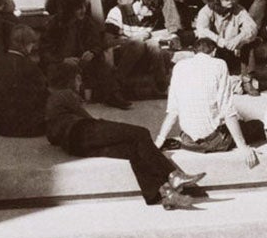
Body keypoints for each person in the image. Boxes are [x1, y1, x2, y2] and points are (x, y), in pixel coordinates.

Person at [46, 61, 203, 210]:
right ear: (73, 78)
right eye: (78, 79)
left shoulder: (53, 100)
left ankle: (167, 193)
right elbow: (88, 119)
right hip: (83, 130)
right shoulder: (65, 94)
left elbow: (52, 136)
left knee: (134, 150)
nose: (80, 84)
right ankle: (173, 175)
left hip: (76, 145)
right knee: (141, 133)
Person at [155, 35, 261, 165]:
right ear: (214, 51)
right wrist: (243, 147)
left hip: (189, 141)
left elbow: (173, 111)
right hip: (215, 141)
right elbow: (226, 110)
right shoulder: (219, 64)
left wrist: (160, 140)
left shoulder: (179, 67)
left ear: (194, 52)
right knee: (257, 125)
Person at [41, 0, 131, 109]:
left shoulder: (86, 22)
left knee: (100, 62)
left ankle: (113, 95)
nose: (83, 10)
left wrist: (92, 52)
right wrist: (62, 59)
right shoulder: (55, 24)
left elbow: (98, 43)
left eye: (83, 6)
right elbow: (45, 51)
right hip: (60, 62)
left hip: (81, 58)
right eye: (79, 8)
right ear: (69, 10)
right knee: (66, 68)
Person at [103, 0, 173, 96]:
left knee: (154, 45)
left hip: (143, 52)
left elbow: (153, 37)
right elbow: (108, 41)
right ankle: (117, 81)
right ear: (141, 0)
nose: (151, 14)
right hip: (122, 51)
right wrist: (134, 38)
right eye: (149, 10)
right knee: (138, 44)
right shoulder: (118, 12)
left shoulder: (151, 17)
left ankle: (161, 84)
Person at [195, 0, 262, 94]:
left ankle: (247, 80)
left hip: (234, 48)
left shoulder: (238, 9)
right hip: (216, 50)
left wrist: (238, 39)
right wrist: (220, 41)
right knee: (204, 44)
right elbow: (202, 31)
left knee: (251, 40)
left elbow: (251, 27)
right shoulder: (206, 11)